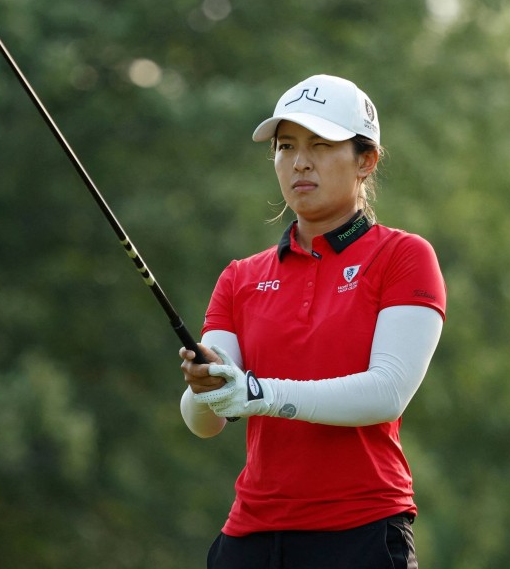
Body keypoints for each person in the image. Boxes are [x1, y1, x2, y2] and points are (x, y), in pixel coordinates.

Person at [179, 74, 446, 569]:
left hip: (359, 534)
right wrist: (204, 388)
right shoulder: (241, 277)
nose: (299, 161)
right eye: (285, 146)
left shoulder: (403, 257)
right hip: (251, 538)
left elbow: (386, 392)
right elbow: (207, 422)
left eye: (321, 145)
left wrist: (259, 393)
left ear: (366, 161)